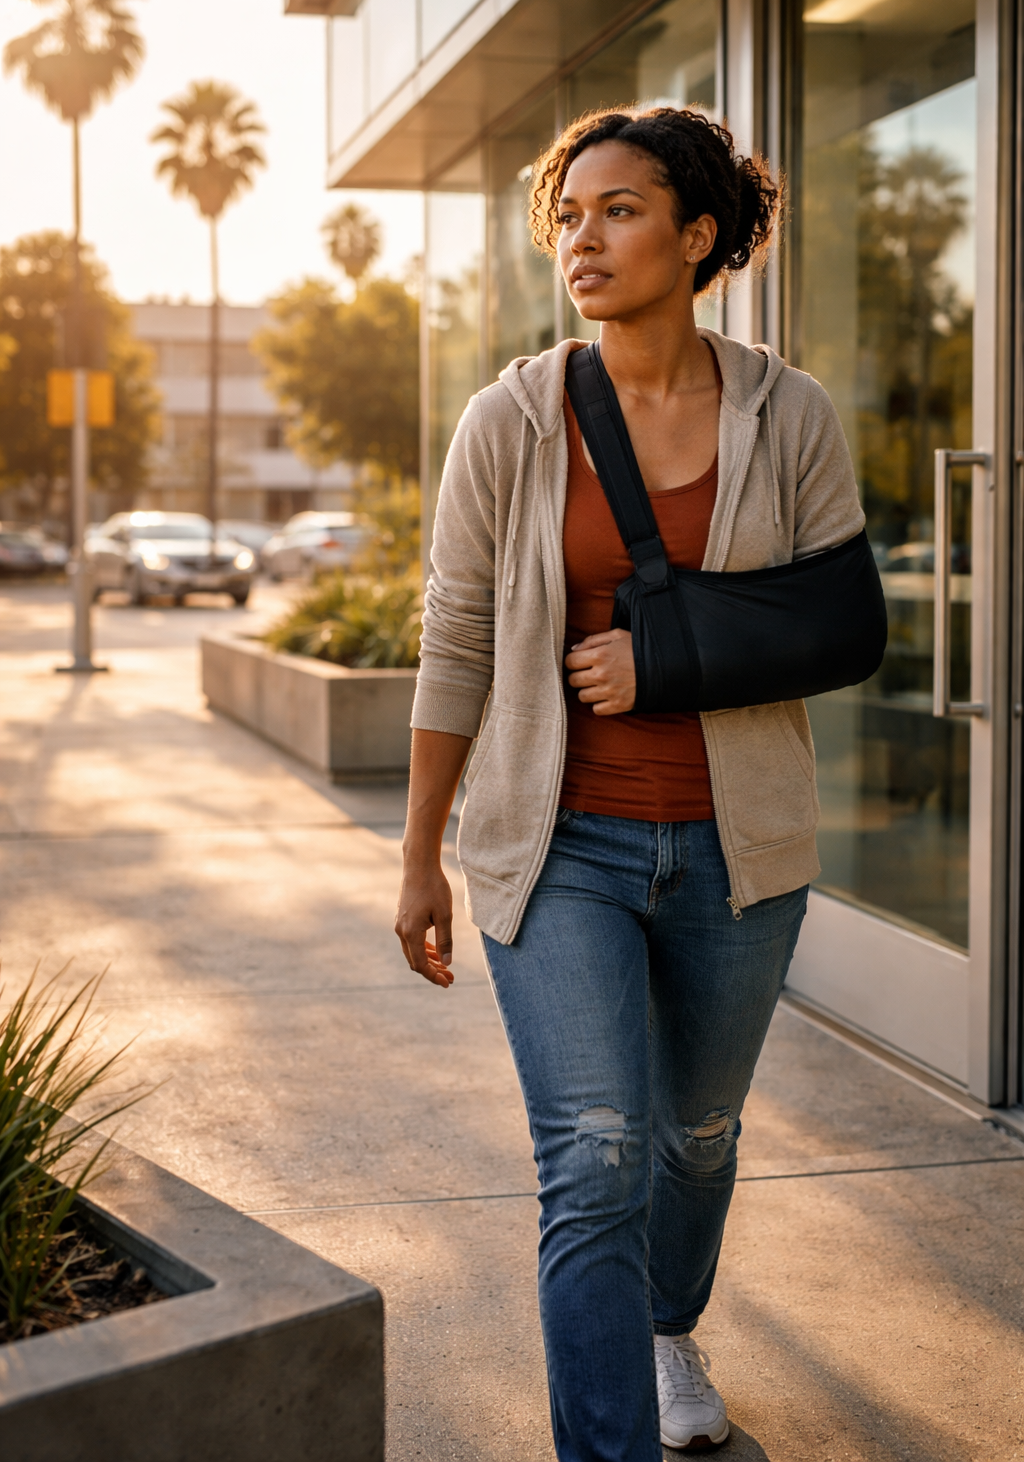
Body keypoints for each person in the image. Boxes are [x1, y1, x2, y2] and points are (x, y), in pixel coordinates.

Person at [395, 105, 863, 1460]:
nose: (582, 239)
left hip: (740, 852)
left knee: (696, 1139)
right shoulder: (512, 418)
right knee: (594, 1157)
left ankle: (666, 1330)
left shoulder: (789, 416)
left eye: (620, 210)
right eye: (570, 214)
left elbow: (838, 619)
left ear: (698, 234)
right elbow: (458, 632)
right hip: (558, 849)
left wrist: (661, 661)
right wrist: (422, 851)